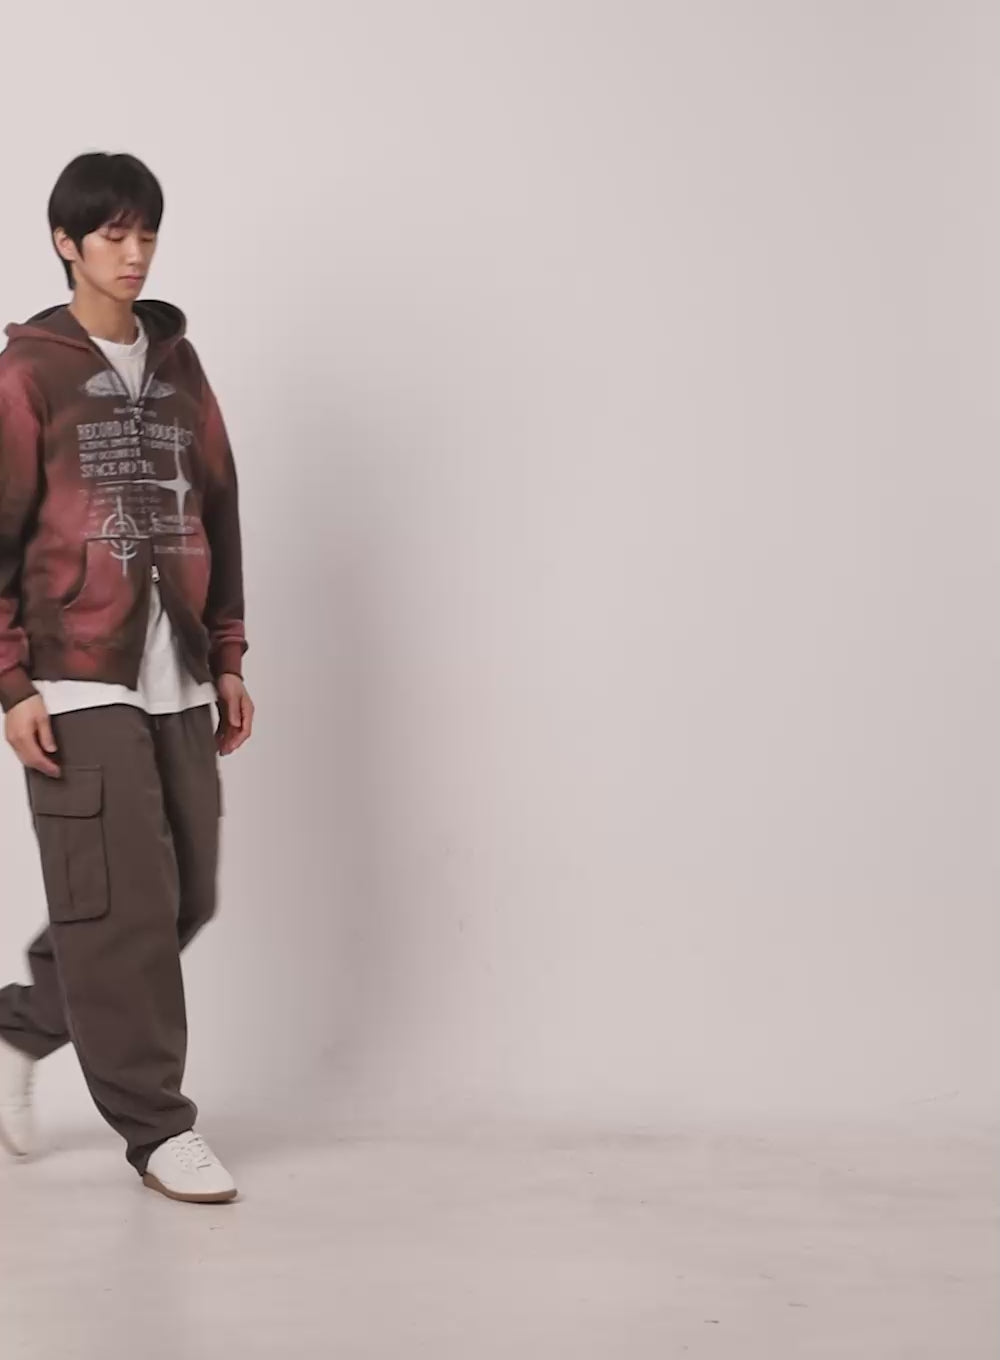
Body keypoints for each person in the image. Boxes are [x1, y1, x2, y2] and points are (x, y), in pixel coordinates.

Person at [0, 151, 253, 1204]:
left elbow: (219, 507)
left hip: (177, 668)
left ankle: (18, 1026)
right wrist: (13, 683)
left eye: (146, 233)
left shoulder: (180, 366)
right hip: (75, 675)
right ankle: (157, 1130)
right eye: (112, 234)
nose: (134, 252)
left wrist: (227, 652)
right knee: (123, 910)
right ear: (66, 243)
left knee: (186, 894)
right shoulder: (28, 374)